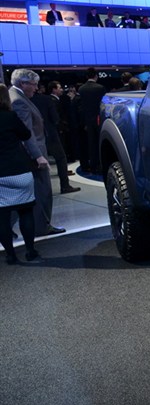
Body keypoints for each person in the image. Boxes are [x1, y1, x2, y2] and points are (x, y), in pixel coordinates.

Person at [9, 69, 66, 236]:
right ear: (23, 83)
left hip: (26, 154)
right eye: (33, 84)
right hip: (32, 154)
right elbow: (27, 133)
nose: (36, 88)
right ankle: (41, 227)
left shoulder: (15, 96)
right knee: (42, 191)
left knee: (24, 194)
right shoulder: (18, 101)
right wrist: (38, 156)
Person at [0, 84, 41, 263]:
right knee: (26, 212)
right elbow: (25, 135)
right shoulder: (10, 116)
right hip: (19, 170)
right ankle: (30, 251)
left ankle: (10, 255)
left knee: (2, 217)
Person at [33, 81, 80, 194]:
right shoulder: (46, 99)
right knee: (61, 158)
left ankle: (40, 190)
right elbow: (54, 118)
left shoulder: (27, 100)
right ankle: (65, 185)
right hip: (50, 133)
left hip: (33, 136)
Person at [77, 67, 107, 175]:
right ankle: (101, 165)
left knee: (91, 144)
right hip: (99, 119)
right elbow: (103, 105)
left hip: (87, 121)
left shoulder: (81, 89)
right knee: (100, 143)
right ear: (96, 76)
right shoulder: (100, 88)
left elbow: (81, 107)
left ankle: (93, 166)